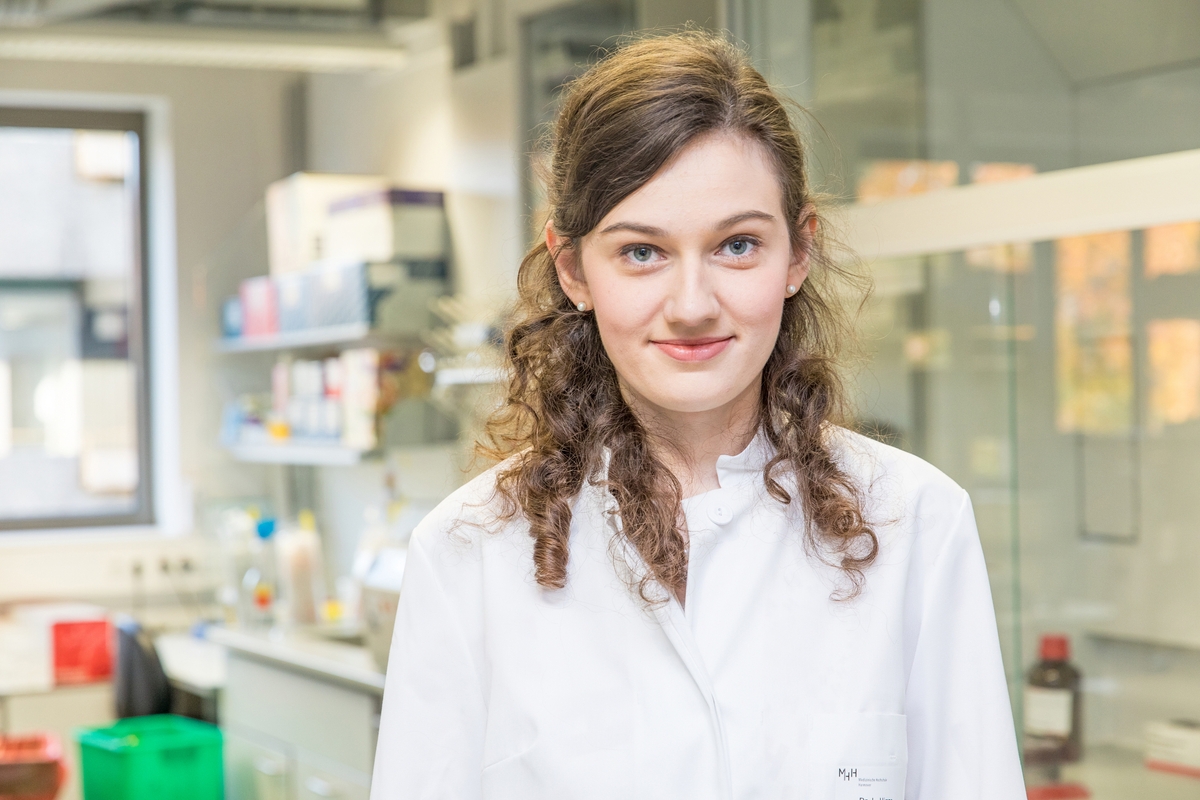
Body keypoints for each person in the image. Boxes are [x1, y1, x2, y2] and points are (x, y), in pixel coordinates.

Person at [371, 31, 1024, 800]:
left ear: (798, 253)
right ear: (573, 268)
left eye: (738, 245)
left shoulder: (918, 523)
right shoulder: (467, 554)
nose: (691, 306)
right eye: (641, 252)